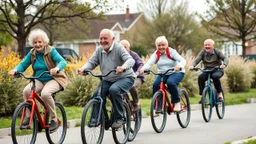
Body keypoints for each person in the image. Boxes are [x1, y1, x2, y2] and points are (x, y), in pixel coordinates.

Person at [9, 29, 68, 132]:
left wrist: (56, 69)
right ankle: (29, 118)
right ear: (32, 44)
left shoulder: (51, 51)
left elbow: (62, 62)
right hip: (39, 79)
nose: (37, 44)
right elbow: (23, 64)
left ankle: (53, 119)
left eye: (40, 42)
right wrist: (16, 70)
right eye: (35, 42)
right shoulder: (32, 53)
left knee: (45, 94)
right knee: (27, 91)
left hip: (54, 79)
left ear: (44, 42)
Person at [78, 29, 135, 129]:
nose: (103, 41)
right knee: (97, 95)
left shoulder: (119, 48)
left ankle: (119, 118)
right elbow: (92, 62)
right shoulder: (100, 50)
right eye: (101, 38)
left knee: (114, 90)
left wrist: (123, 67)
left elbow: (130, 60)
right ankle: (97, 118)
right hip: (108, 79)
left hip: (125, 77)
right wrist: (84, 68)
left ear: (113, 39)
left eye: (105, 38)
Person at [140, 36, 186, 112]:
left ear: (167, 45)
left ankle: (176, 102)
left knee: (170, 82)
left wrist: (179, 66)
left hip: (176, 72)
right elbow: (149, 63)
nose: (161, 47)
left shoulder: (172, 52)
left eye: (163, 45)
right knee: (156, 84)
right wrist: (144, 68)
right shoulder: (156, 54)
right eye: (159, 45)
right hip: (163, 73)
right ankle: (158, 107)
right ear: (156, 46)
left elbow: (183, 60)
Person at [189, 39, 229, 103]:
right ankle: (203, 96)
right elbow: (197, 60)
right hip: (207, 70)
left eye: (208, 45)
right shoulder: (203, 52)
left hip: (217, 69)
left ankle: (219, 94)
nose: (207, 46)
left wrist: (224, 64)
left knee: (215, 77)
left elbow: (225, 58)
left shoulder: (217, 51)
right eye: (205, 45)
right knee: (201, 77)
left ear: (213, 45)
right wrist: (192, 65)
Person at [120, 39, 144, 111]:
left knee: (131, 85)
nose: (123, 49)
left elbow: (141, 64)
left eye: (125, 47)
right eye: (121, 47)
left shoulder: (134, 55)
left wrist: (137, 73)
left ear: (129, 48)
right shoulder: (118, 56)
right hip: (124, 77)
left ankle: (136, 102)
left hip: (137, 77)